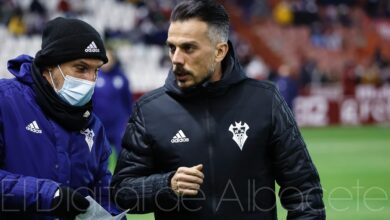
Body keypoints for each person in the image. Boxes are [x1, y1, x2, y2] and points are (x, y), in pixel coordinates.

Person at [111, 0, 325, 220]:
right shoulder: (150, 111)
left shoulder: (265, 101)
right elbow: (122, 192)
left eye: (188, 48)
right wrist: (166, 185)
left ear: (219, 51)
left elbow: (304, 191)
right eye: (172, 47)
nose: (176, 59)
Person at [0, 17, 120, 219]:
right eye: (81, 68)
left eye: (96, 70)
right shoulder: (5, 102)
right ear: (49, 66)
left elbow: (104, 197)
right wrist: (50, 194)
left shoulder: (94, 127)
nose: (91, 80)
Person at [93, 48, 133, 157]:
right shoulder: (94, 76)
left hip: (118, 123)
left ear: (114, 59)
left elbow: (128, 100)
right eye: (105, 59)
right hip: (99, 122)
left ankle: (122, 174)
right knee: (99, 155)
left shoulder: (121, 77)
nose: (107, 62)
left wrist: (129, 119)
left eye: (110, 58)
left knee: (121, 153)